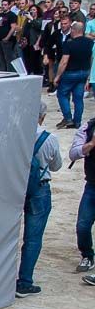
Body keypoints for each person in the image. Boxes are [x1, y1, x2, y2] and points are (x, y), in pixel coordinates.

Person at [16, 101, 62, 297]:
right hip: (39, 189)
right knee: (33, 238)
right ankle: (25, 280)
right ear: (42, 117)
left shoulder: (14, 135)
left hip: (14, 189)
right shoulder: (49, 139)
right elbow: (56, 166)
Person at [52, 19, 93, 129]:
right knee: (78, 98)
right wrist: (89, 76)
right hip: (84, 72)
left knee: (62, 94)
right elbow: (91, 58)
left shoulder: (69, 43)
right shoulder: (89, 42)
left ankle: (68, 118)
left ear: (73, 30)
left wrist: (57, 76)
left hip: (70, 72)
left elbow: (64, 61)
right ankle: (77, 121)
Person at [70, 117, 95, 276]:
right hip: (92, 185)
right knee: (82, 226)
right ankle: (87, 255)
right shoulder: (88, 126)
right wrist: (91, 144)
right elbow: (73, 153)